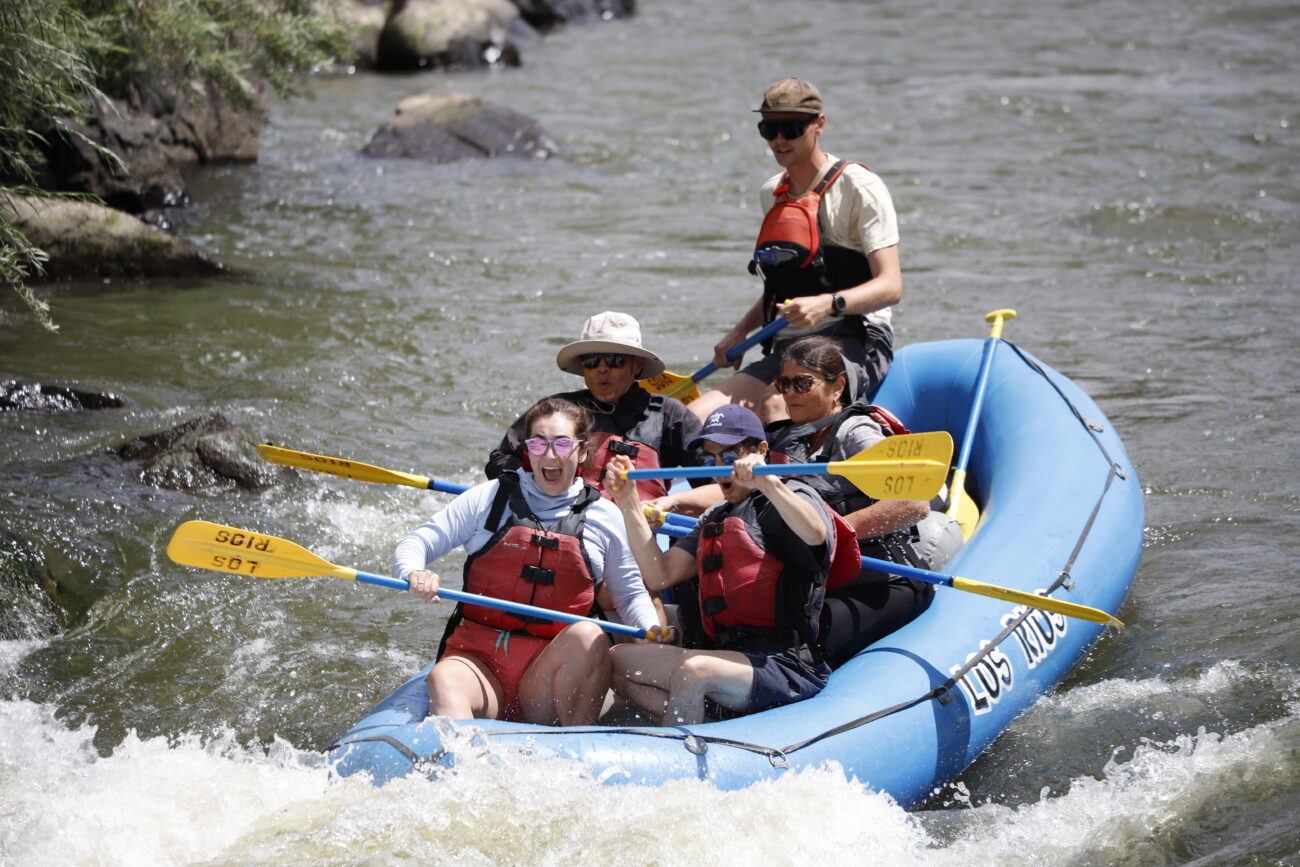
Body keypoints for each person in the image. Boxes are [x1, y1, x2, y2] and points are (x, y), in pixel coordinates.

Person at [396, 396, 663, 725]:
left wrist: (650, 629)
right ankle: (457, 764)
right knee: (443, 678)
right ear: (527, 450)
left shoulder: (604, 517)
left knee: (588, 634)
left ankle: (574, 747)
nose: (550, 455)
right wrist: (414, 572)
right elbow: (417, 541)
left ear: (581, 452)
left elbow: (630, 594)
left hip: (548, 677)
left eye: (562, 444)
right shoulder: (491, 499)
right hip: (478, 666)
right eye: (539, 444)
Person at [601, 404, 835, 725]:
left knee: (695, 670)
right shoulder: (715, 516)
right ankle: (705, 722)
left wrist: (768, 483)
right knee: (617, 660)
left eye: (730, 456)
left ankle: (680, 752)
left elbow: (815, 533)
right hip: (726, 657)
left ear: (761, 450)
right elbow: (660, 575)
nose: (720, 467)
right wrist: (628, 501)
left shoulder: (793, 494)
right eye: (712, 458)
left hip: (783, 663)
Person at [690, 78, 903, 425]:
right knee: (694, 418)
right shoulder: (772, 193)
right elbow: (781, 292)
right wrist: (739, 332)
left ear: (819, 124)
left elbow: (891, 286)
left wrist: (827, 304)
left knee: (780, 405)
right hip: (787, 345)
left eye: (790, 127)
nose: (779, 140)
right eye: (769, 129)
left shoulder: (859, 187)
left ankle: (789, 474)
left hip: (855, 337)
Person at [764, 335, 962, 667]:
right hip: (821, 582)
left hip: (885, 581)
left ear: (837, 387)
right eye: (783, 384)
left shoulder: (854, 433)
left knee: (804, 644)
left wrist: (830, 534)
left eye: (802, 383)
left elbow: (913, 503)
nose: (789, 394)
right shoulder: (790, 437)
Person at [485, 311, 706, 515]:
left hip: (638, 539)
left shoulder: (669, 415)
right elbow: (501, 460)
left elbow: (717, 487)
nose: (602, 368)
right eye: (591, 361)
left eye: (614, 360)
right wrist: (537, 485)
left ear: (637, 365)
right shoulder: (558, 410)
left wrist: (670, 504)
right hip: (563, 525)